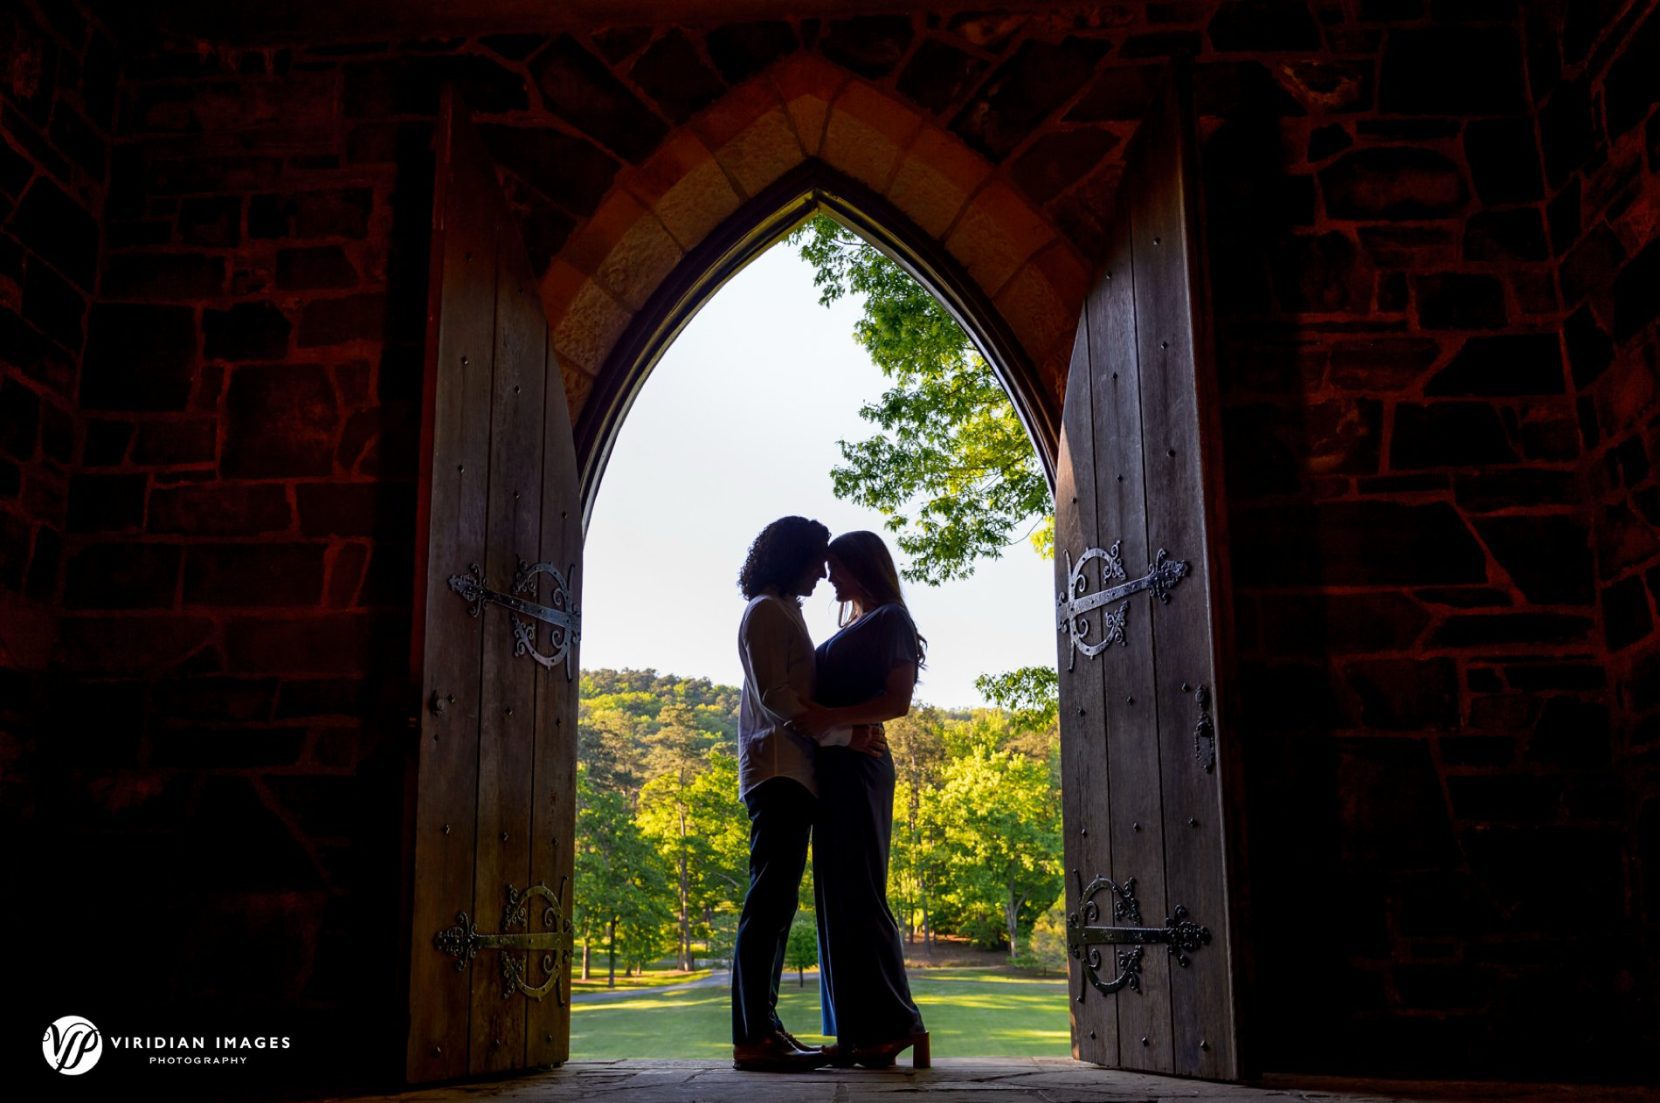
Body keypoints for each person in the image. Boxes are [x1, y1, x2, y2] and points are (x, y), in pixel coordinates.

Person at [730, 516, 885, 1073]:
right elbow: (777, 698)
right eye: (817, 558)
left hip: (796, 772)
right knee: (767, 902)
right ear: (793, 556)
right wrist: (847, 733)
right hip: (777, 772)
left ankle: (766, 1027)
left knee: (776, 903)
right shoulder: (766, 612)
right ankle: (752, 1035)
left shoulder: (785, 610)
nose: (824, 570)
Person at [796, 530, 931, 1070]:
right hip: (833, 769)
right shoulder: (853, 623)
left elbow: (897, 701)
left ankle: (899, 1025)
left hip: (862, 768)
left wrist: (831, 719)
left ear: (863, 568)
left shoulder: (891, 621)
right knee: (835, 897)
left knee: (861, 891)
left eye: (837, 568)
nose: (829, 577)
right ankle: (857, 1032)